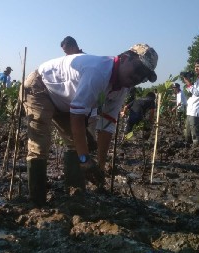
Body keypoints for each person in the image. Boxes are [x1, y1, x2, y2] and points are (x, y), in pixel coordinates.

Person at [20, 43, 158, 206]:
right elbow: (77, 117)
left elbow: (108, 125)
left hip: (65, 99)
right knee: (40, 144)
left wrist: (99, 166)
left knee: (77, 144)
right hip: (40, 87)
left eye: (144, 77)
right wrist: (85, 159)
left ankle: (75, 197)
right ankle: (37, 202)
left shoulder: (122, 88)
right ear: (125, 58)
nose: (138, 78)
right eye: (138, 69)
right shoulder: (98, 72)